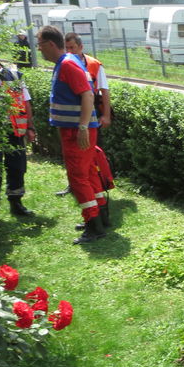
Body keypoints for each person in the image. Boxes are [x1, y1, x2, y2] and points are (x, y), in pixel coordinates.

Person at [36, 25, 106, 244]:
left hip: (77, 132)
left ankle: (93, 226)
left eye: (40, 45)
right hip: (76, 130)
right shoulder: (66, 62)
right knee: (88, 173)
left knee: (78, 177)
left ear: (50, 44)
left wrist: (83, 127)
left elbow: (87, 95)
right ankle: (100, 218)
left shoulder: (67, 64)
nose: (39, 49)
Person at [55, 32, 113, 197]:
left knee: (91, 153)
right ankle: (75, 184)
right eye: (66, 48)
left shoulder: (94, 64)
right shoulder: (64, 64)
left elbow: (104, 91)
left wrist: (106, 115)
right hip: (72, 118)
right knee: (74, 155)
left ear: (81, 47)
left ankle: (98, 186)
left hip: (91, 116)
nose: (69, 51)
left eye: (72, 47)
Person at [0, 53, 36, 216]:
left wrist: (30, 127)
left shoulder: (13, 75)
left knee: (17, 167)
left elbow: (25, 101)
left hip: (13, 128)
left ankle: (16, 202)